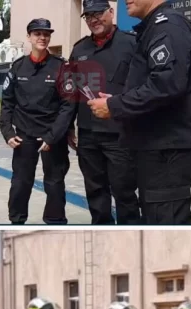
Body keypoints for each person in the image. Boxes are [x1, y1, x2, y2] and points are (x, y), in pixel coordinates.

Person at [88, 0, 191, 225]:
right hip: (157, 143)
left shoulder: (168, 26)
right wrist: (117, 101)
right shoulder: (154, 27)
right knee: (155, 213)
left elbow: (166, 84)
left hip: (169, 145)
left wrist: (115, 107)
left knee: (165, 217)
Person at [67, 0, 141, 225]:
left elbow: (143, 87)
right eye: (88, 16)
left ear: (111, 13)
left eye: (98, 13)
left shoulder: (132, 44)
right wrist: (69, 126)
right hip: (88, 134)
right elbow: (71, 92)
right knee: (95, 191)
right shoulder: (79, 49)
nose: (93, 19)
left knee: (125, 192)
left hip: (120, 134)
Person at [0, 18, 75, 225]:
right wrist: (7, 132)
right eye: (37, 34)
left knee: (55, 183)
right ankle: (17, 221)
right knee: (20, 183)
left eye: (46, 34)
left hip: (52, 136)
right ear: (29, 37)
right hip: (24, 135)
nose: (42, 38)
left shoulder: (62, 67)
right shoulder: (17, 67)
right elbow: (7, 103)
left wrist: (53, 136)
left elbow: (68, 106)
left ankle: (55, 221)